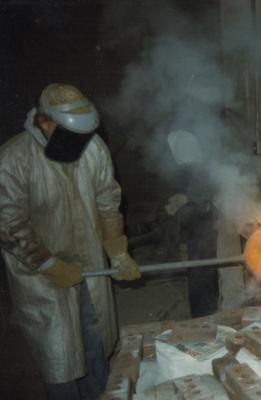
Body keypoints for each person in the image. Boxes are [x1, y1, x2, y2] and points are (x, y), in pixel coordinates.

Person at [0, 83, 141, 399]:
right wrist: (49, 264)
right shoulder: (13, 159)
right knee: (60, 353)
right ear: (43, 122)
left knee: (94, 338)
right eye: (69, 135)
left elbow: (107, 200)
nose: (78, 144)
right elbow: (9, 226)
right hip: (41, 277)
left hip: (89, 265)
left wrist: (117, 251)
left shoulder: (93, 148)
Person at [165, 130, 219, 317]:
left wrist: (187, 198)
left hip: (207, 227)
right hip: (195, 230)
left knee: (207, 270)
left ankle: (209, 311)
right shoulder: (181, 172)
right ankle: (203, 314)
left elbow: (208, 190)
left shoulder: (201, 169)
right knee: (199, 272)